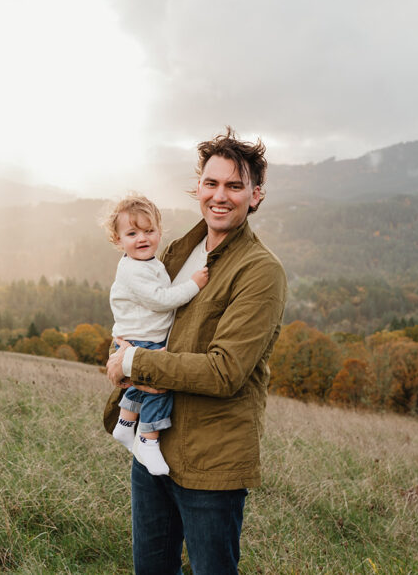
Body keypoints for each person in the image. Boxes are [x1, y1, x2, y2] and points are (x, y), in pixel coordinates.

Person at [103, 127, 287, 575]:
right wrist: (120, 346)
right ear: (198, 188)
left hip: (210, 461)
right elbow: (149, 318)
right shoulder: (180, 249)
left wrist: (134, 361)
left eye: (234, 185)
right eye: (211, 183)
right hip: (155, 444)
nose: (219, 196)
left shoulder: (260, 272)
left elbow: (225, 371)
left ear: (256, 196)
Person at [104, 194, 210, 476]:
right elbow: (161, 300)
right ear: (118, 240)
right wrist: (194, 285)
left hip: (138, 336)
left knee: (140, 385)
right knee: (159, 388)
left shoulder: (147, 262)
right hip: (141, 340)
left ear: (160, 232)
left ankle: (125, 425)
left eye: (149, 231)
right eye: (132, 233)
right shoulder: (133, 269)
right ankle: (148, 440)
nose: (142, 238)